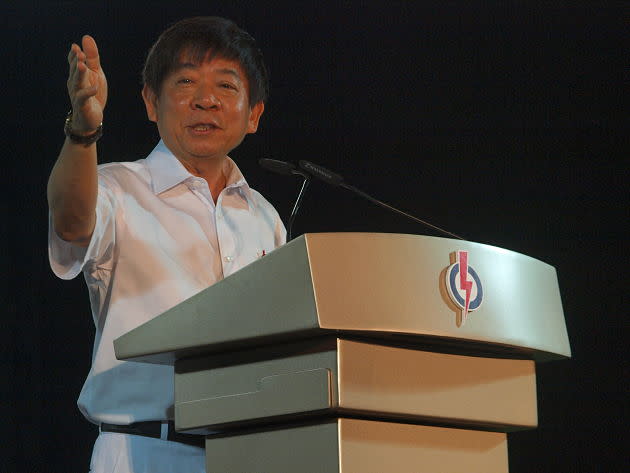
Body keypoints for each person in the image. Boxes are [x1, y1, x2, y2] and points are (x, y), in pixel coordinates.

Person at [47, 17, 286, 473]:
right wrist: (83, 130)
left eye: (227, 86)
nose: (206, 99)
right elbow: (72, 222)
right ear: (151, 102)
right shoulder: (117, 189)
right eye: (186, 81)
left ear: (253, 114)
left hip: (247, 454)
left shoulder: (265, 218)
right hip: (144, 451)